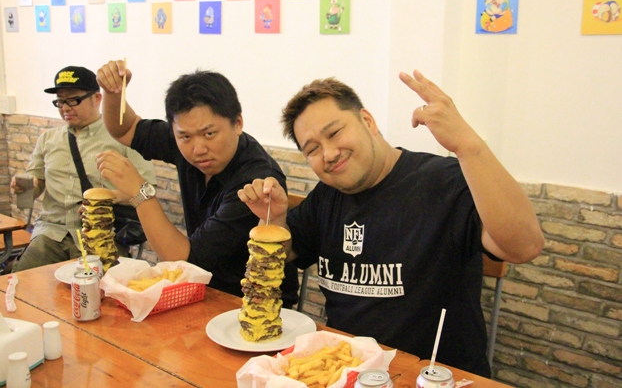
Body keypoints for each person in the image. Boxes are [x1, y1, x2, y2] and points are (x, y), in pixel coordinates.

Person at [237, 70, 544, 377]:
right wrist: (275, 218)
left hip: (433, 377)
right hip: (347, 374)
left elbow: (524, 247)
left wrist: (469, 146)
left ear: (367, 121)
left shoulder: (444, 182)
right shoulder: (326, 197)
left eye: (334, 133)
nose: (328, 154)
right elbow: (289, 251)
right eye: (312, 149)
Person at [94, 60, 299, 307]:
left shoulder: (255, 181)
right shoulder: (186, 140)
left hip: (248, 303)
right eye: (185, 136)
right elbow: (125, 129)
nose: (198, 149)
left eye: (209, 134)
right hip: (200, 290)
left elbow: (185, 260)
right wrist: (113, 92)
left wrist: (141, 194)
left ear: (238, 123)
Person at [10, 66, 156, 273]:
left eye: (73, 100)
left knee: (104, 286)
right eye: (60, 101)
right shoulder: (48, 139)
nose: (65, 108)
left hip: (102, 233)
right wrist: (26, 187)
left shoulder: (122, 136)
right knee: (21, 280)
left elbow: (147, 189)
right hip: (51, 234)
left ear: (97, 98)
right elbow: (35, 186)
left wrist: (105, 199)